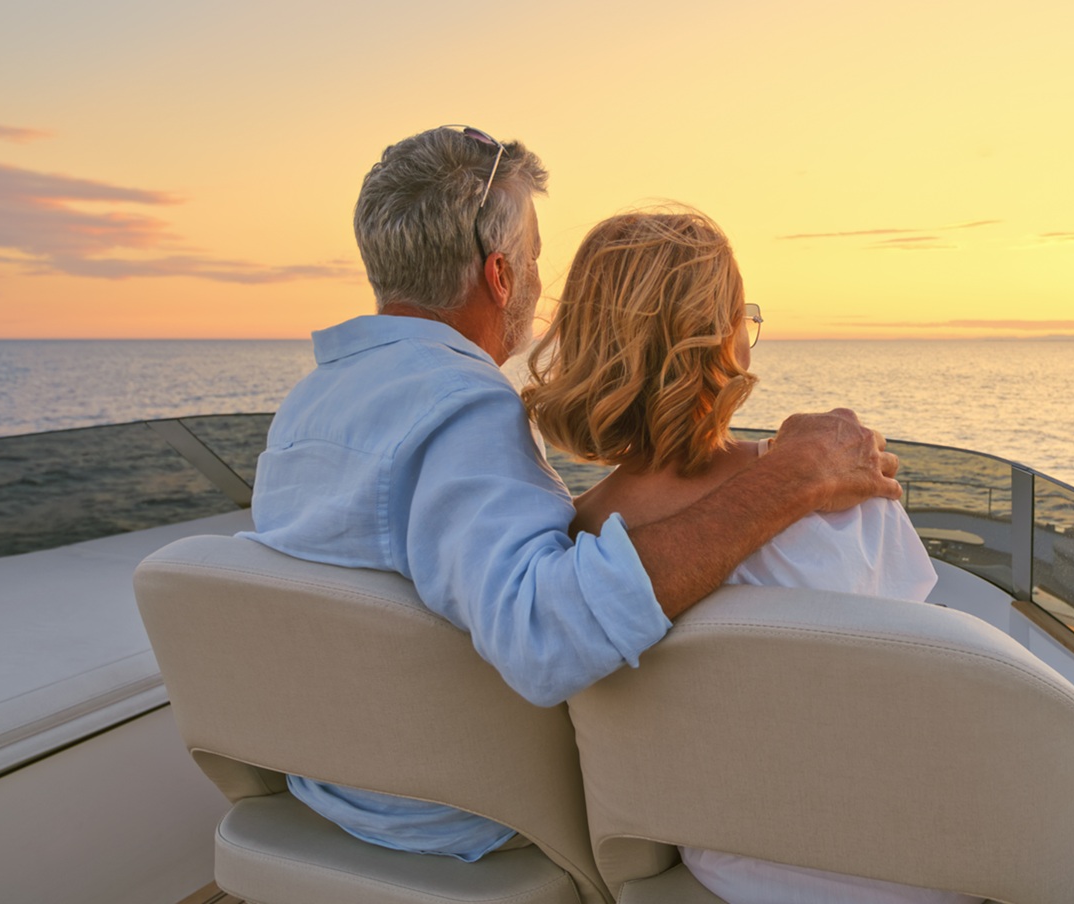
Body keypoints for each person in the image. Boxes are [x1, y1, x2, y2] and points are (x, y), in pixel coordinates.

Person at [239, 127, 902, 862]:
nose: (535, 278)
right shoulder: (459, 405)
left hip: (334, 783)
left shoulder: (311, 403)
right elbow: (545, 637)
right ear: (499, 276)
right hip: (461, 816)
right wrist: (789, 477)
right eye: (533, 257)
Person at [523, 207, 979, 904]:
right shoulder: (841, 495)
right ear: (725, 340)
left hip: (731, 870)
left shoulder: (580, 546)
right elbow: (923, 689)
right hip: (906, 870)